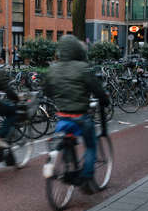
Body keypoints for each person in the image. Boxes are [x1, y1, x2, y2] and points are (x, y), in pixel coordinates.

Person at [44, 35, 109, 194]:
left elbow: (47, 91)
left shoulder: (53, 68)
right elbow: (97, 89)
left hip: (62, 116)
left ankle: (66, 165)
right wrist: (104, 99)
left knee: (65, 138)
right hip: (81, 116)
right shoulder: (82, 67)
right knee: (91, 145)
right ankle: (86, 178)